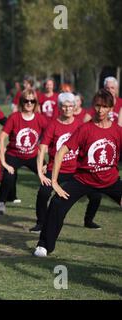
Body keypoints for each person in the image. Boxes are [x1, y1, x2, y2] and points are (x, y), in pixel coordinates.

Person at [34, 89, 122, 257]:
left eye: (105, 107)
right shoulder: (85, 129)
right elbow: (60, 153)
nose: (100, 110)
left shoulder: (118, 131)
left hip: (110, 180)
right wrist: (54, 182)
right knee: (57, 203)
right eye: (97, 106)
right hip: (84, 179)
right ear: (92, 106)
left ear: (111, 108)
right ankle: (44, 245)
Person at [32, 93, 102, 233]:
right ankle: (41, 223)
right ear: (59, 107)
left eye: (70, 106)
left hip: (76, 170)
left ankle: (88, 220)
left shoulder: (80, 125)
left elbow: (88, 146)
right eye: (64, 106)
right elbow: (42, 149)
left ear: (74, 107)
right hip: (56, 169)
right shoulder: (53, 125)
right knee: (43, 193)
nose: (68, 109)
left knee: (96, 194)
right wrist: (40, 173)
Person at [0, 89, 48, 215]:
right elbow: (1, 138)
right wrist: (4, 162)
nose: (29, 103)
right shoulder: (14, 117)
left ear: (36, 103)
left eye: (32, 101)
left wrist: (48, 161)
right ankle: (1, 203)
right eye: (26, 100)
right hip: (14, 155)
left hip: (32, 155)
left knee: (48, 176)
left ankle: (47, 203)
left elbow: (51, 138)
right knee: (8, 176)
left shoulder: (41, 119)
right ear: (21, 102)